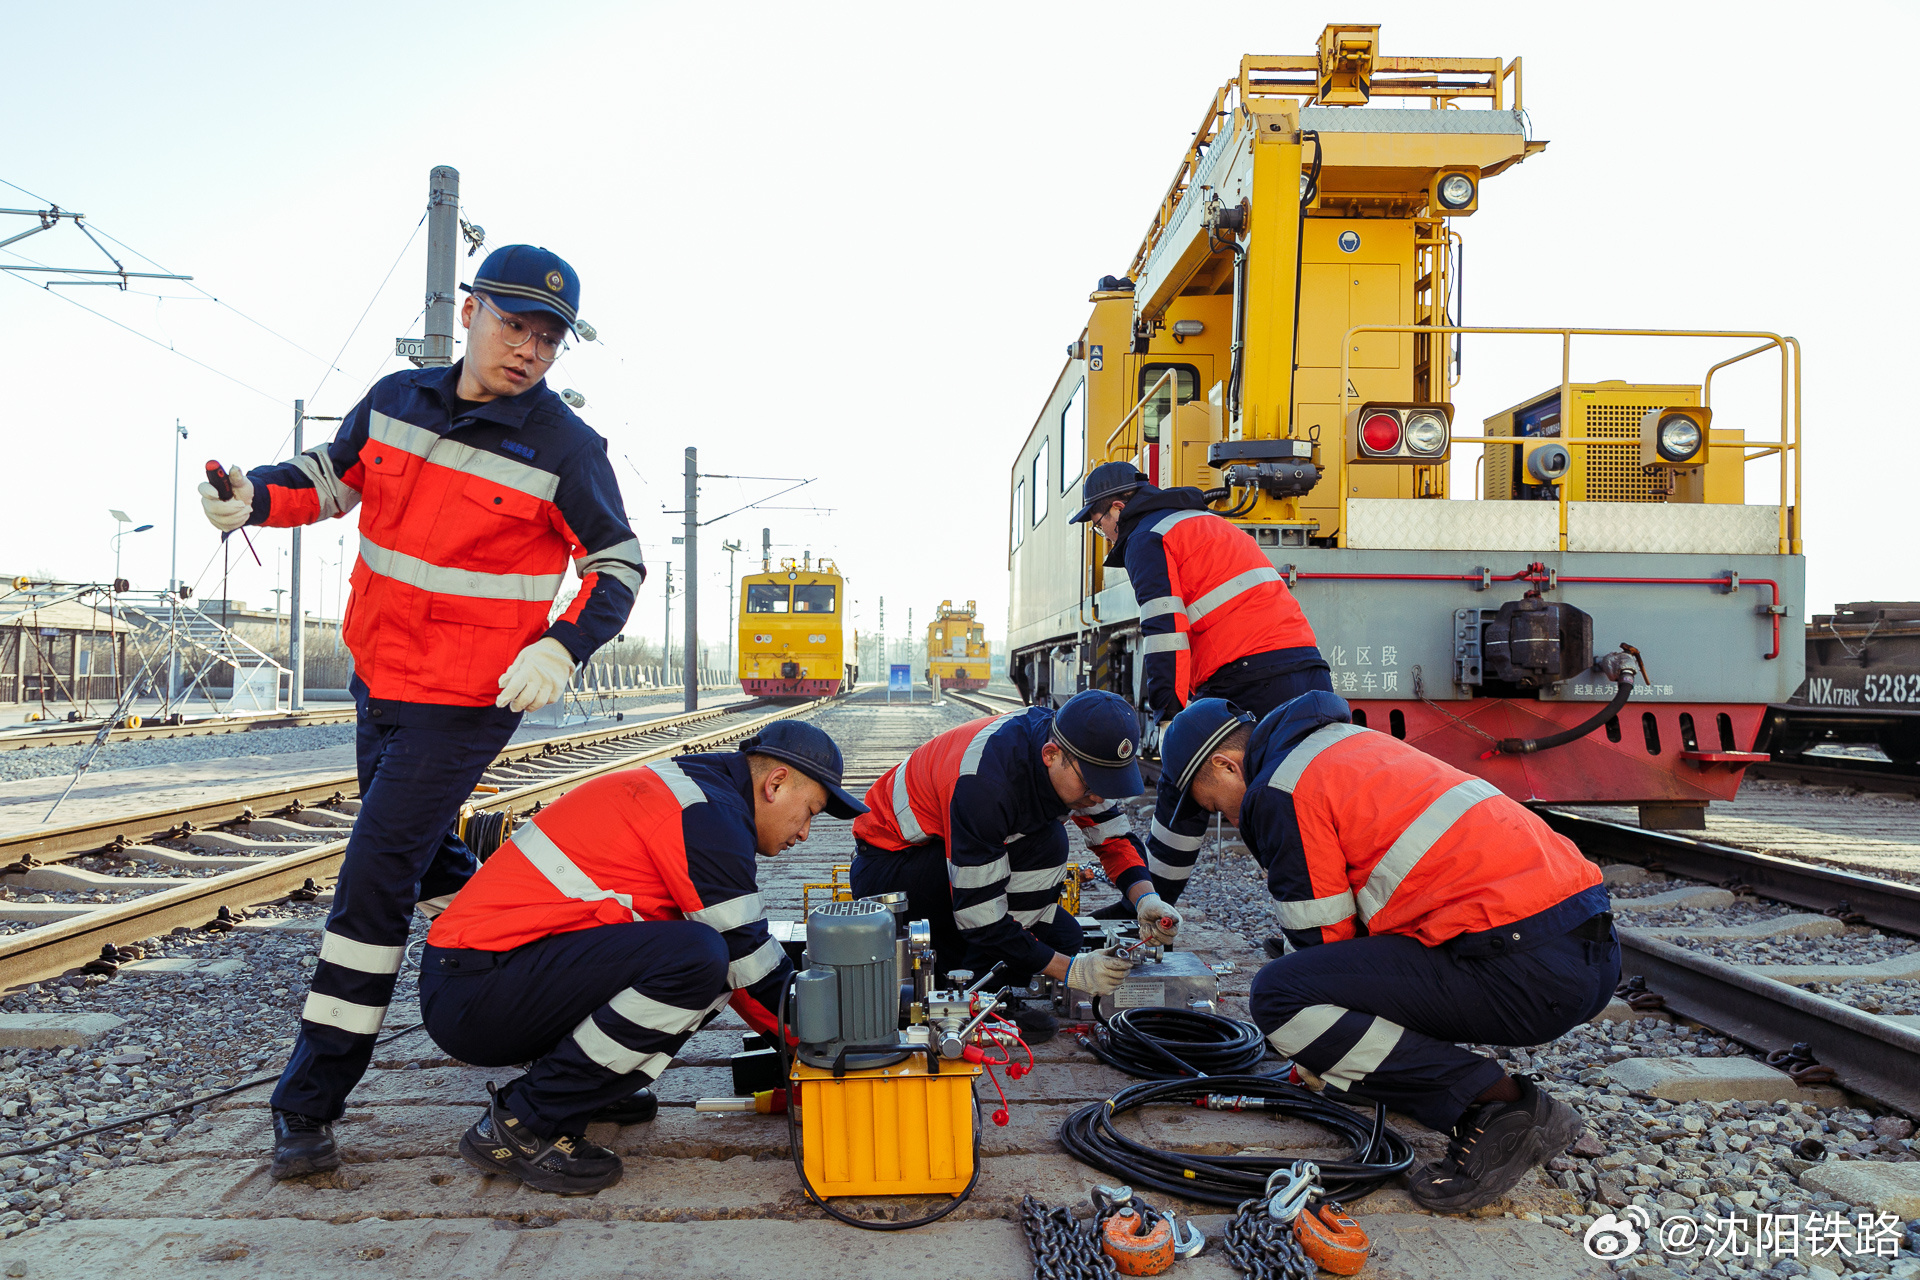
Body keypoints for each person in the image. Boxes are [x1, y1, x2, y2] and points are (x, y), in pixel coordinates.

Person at [197, 245, 645, 1179]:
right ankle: (582, 1024)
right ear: (472, 310)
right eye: (515, 324)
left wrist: (561, 645)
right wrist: (249, 498)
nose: (528, 349)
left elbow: (619, 564)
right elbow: (329, 478)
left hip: (471, 700)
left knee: (372, 883)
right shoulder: (397, 397)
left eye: (549, 338)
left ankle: (308, 1102)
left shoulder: (567, 446)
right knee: (439, 866)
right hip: (381, 676)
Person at [1158, 693, 1618, 1213]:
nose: (1225, 815)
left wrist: (1319, 1052)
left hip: (1525, 968)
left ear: (1225, 764)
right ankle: (1444, 1086)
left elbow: (1321, 946)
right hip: (1581, 949)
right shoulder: (1339, 742)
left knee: (1279, 998)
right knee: (1319, 988)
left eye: (1215, 802)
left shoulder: (1277, 790)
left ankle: (1497, 1108)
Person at [416, 721, 864, 1194]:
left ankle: (578, 1090)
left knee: (708, 960)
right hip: (477, 990)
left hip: (495, 976)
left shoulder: (704, 794)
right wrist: (830, 1047)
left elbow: (743, 972)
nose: (807, 834)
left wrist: (797, 1037)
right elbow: (750, 961)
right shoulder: (707, 815)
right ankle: (523, 1122)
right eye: (810, 811)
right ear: (775, 784)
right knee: (700, 957)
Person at [1068, 461, 1329, 908]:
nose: (1103, 532)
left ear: (1116, 508)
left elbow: (1166, 629)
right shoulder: (1200, 521)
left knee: (1185, 777)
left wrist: (1170, 713)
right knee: (1301, 790)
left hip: (1247, 669)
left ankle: (1150, 905)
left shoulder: (1147, 537)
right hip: (1303, 665)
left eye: (1097, 523)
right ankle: (1318, 917)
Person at [847, 689, 1167, 1040]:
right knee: (1046, 845)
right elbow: (980, 917)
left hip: (939, 857)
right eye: (1093, 784)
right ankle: (978, 1000)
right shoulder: (986, 784)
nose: (1099, 796)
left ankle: (980, 971)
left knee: (1067, 937)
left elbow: (1113, 838)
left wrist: (1146, 899)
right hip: (892, 870)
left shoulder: (1068, 747)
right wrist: (1072, 971)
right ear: (1051, 755)